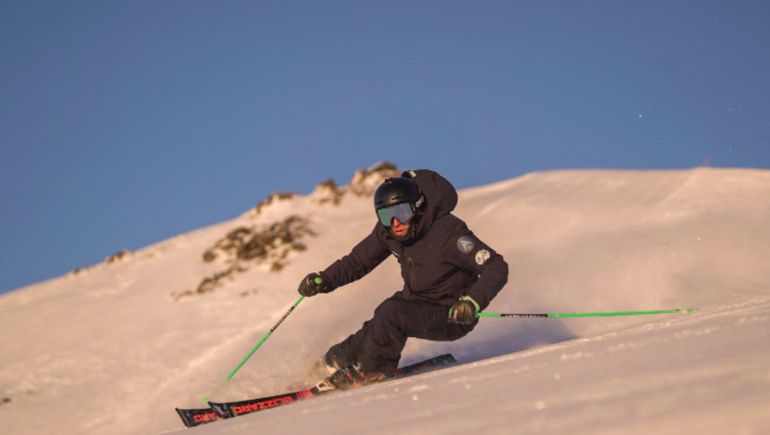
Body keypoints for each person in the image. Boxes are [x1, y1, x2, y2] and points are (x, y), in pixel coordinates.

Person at [297, 169, 508, 389]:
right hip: (415, 303)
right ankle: (330, 364)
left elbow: (496, 266)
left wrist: (472, 302)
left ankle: (371, 369)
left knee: (391, 313)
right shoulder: (388, 232)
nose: (395, 222)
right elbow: (357, 262)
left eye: (402, 212)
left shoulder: (448, 232)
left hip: (452, 313)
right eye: (386, 215)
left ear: (417, 207)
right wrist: (324, 279)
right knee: (376, 327)